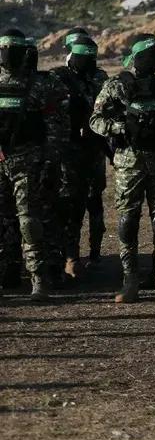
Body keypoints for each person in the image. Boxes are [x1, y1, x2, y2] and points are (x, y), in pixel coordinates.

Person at [91, 33, 155, 304]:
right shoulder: (116, 85)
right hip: (129, 163)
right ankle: (130, 280)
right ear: (138, 57)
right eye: (152, 55)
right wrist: (122, 127)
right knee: (128, 220)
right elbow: (95, 120)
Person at [0, 31, 68, 301]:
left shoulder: (40, 85)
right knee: (4, 220)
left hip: (28, 161)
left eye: (12, 49)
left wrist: (50, 161)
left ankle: (39, 278)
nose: (7, 54)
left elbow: (55, 126)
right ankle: (8, 272)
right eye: (3, 48)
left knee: (29, 221)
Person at [50, 32, 109, 279]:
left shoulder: (99, 77)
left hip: (92, 149)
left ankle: (91, 255)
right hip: (70, 150)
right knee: (71, 204)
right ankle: (72, 256)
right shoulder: (59, 78)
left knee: (91, 202)